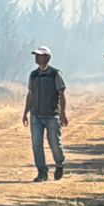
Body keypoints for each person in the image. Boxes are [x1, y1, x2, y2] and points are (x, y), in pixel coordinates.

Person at [22, 46, 67, 181]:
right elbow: (30, 94)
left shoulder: (55, 74)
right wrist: (25, 112)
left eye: (40, 55)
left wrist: (62, 113)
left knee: (55, 143)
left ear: (47, 57)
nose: (37, 57)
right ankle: (42, 172)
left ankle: (59, 164)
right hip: (36, 114)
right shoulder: (33, 75)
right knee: (36, 144)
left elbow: (61, 94)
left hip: (52, 115)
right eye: (36, 55)